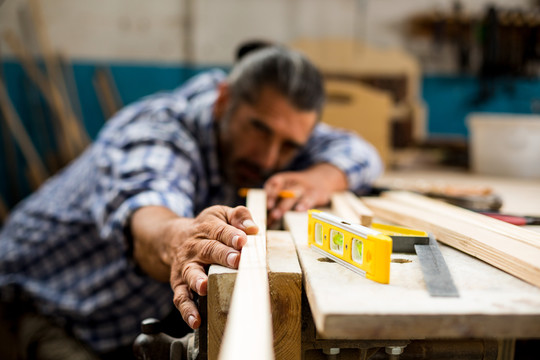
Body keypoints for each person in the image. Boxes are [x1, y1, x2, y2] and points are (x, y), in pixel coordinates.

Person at [0, 45, 383, 359]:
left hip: (128, 313)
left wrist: (321, 178)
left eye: (289, 147)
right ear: (223, 101)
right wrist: (183, 239)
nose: (268, 159)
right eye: (259, 129)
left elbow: (360, 151)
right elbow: (147, 213)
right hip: (45, 305)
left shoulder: (279, 124)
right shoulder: (158, 131)